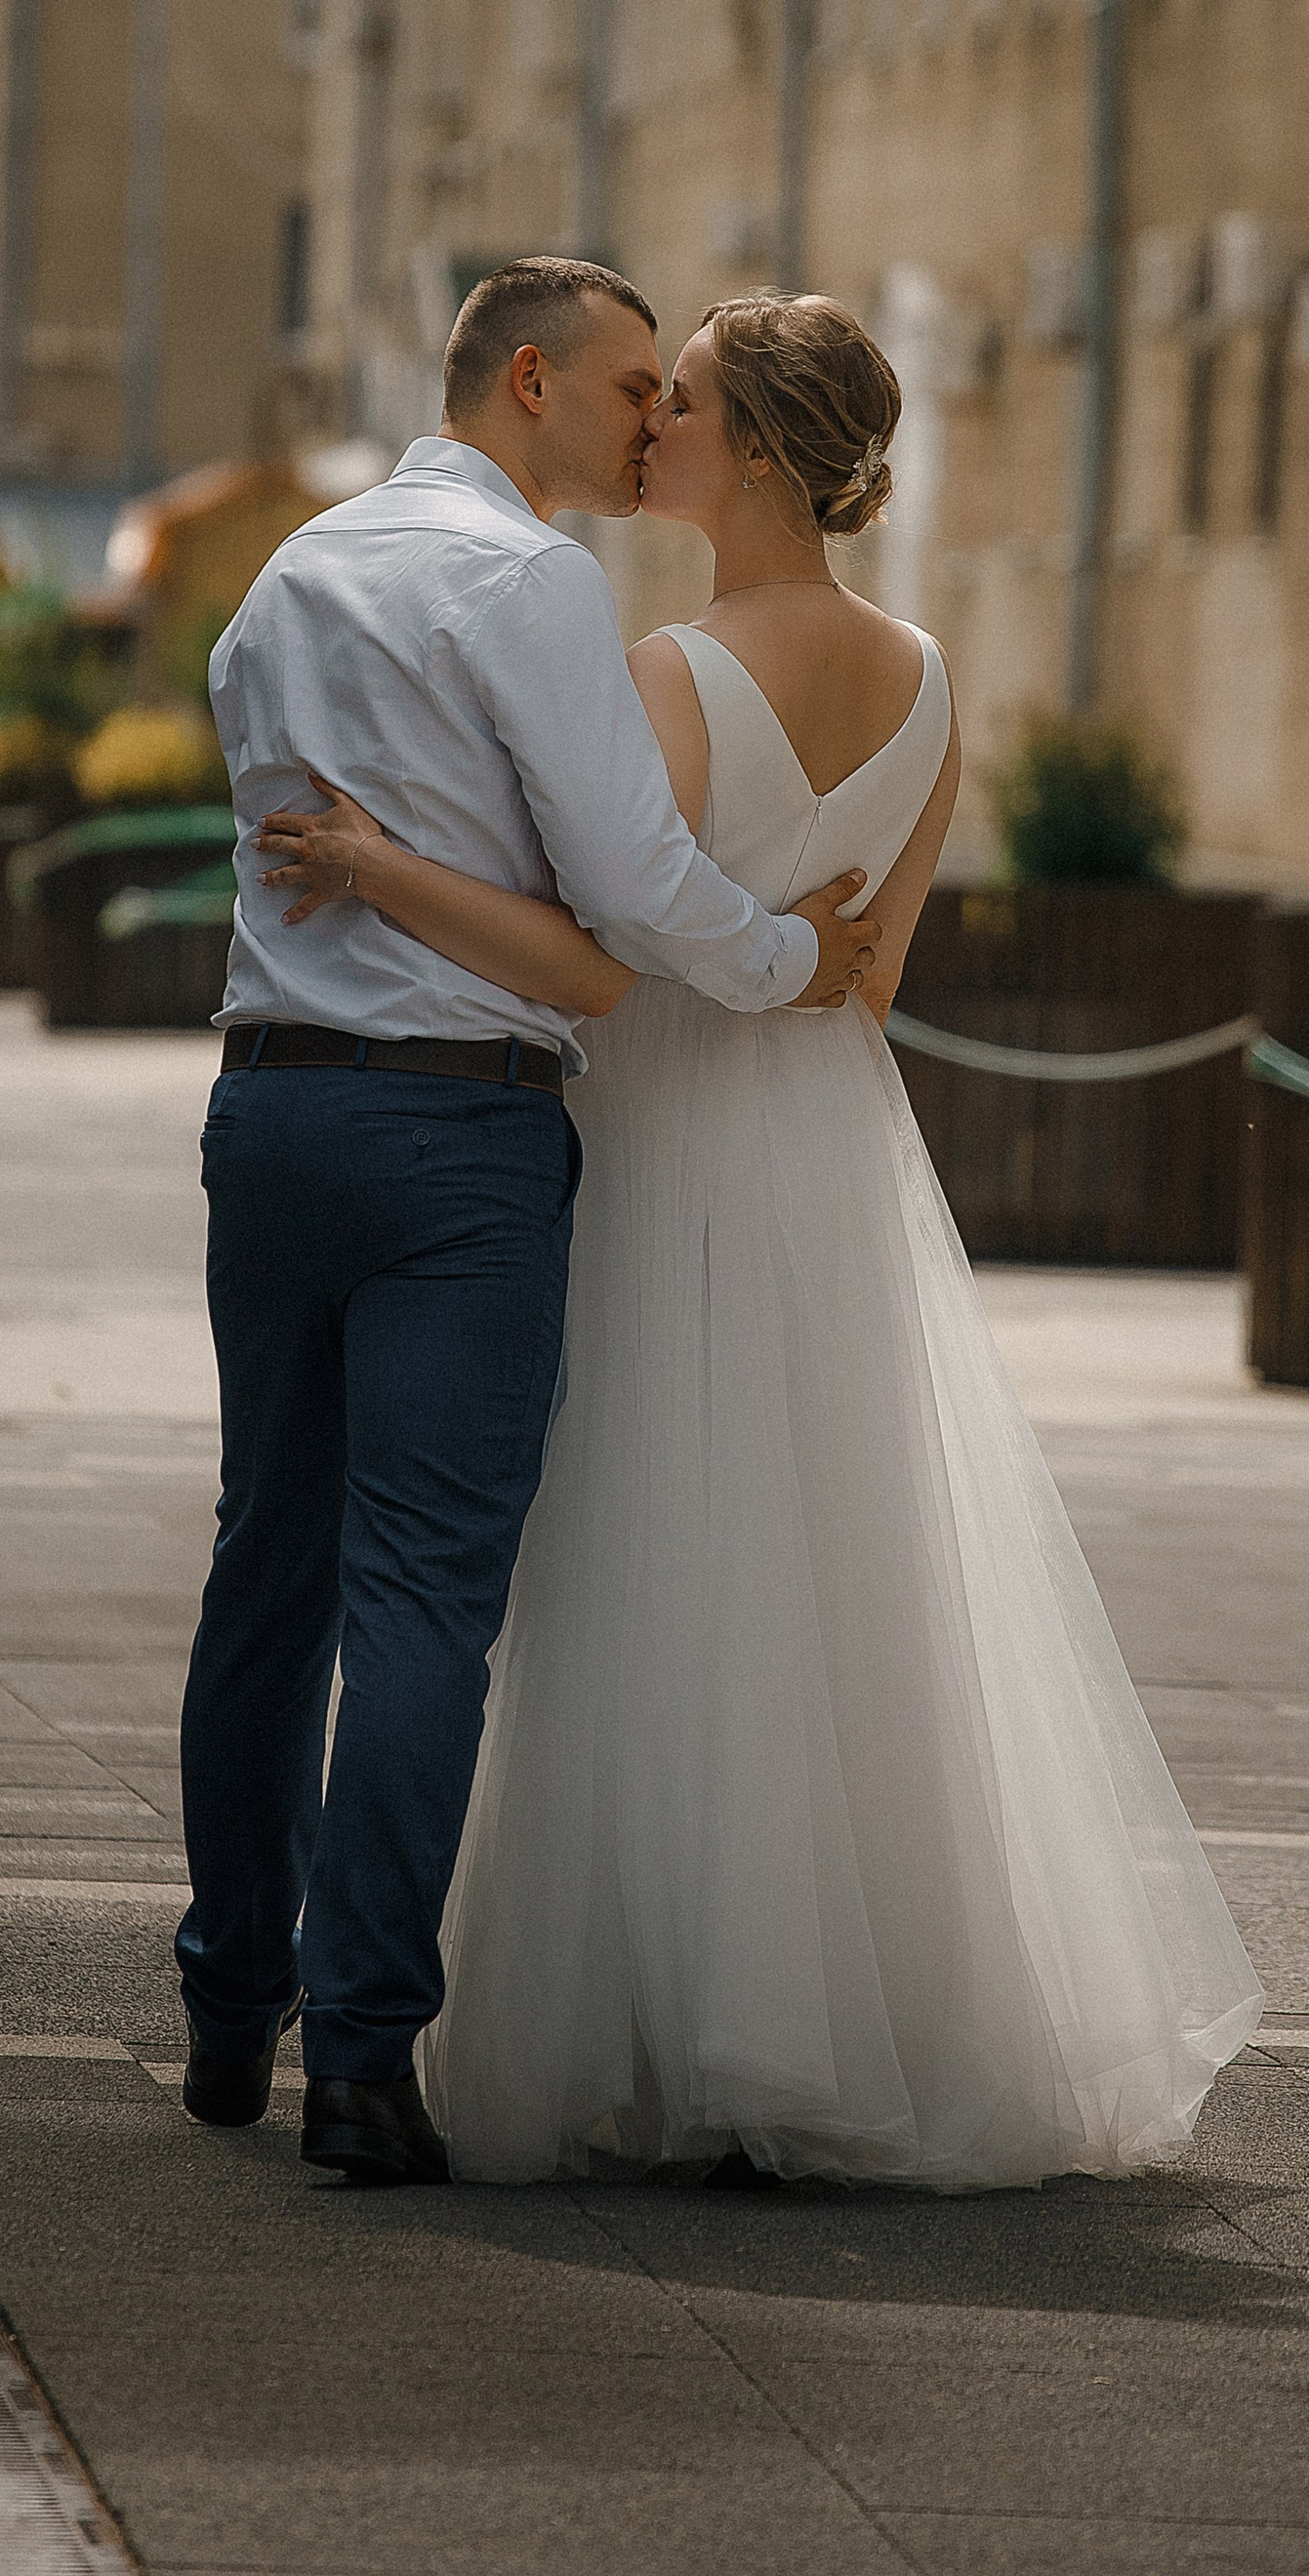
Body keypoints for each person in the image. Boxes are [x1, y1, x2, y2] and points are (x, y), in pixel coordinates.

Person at [257, 291, 1265, 2186]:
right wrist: (785, 971)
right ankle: (836, 2011)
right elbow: (864, 981)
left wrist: (377, 861)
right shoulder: (927, 677)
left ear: (767, 452)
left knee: (633, 1558)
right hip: (827, 1158)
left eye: (689, 405)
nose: (652, 432)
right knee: (824, 1575)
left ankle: (654, 2014)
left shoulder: (664, 674)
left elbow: (590, 956)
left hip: (650, 1144)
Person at [177, 258, 883, 2188]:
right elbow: (637, 885)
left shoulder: (288, 577)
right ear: (526, 381)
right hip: (455, 1141)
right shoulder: (527, 583)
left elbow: (262, 800)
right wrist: (778, 965)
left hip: (267, 1107)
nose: (652, 420)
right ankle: (366, 2058)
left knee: (267, 1569)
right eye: (630, 385)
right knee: (421, 1594)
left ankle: (229, 2005)